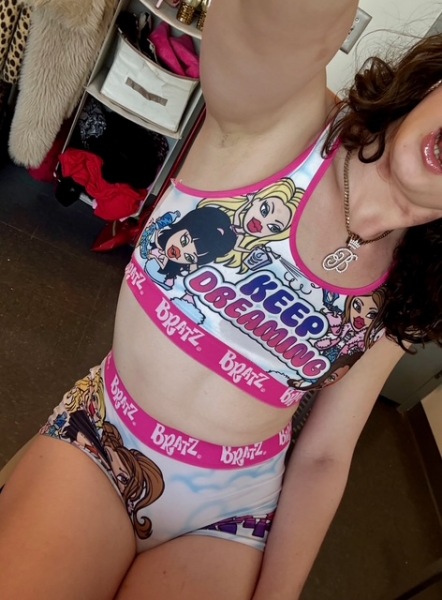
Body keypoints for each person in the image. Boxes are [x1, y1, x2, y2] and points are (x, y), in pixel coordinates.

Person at [1, 1, 442, 598]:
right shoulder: (286, 123)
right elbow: (275, 25)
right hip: (102, 436)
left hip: (231, 511)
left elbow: (325, 455)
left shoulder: (412, 288)